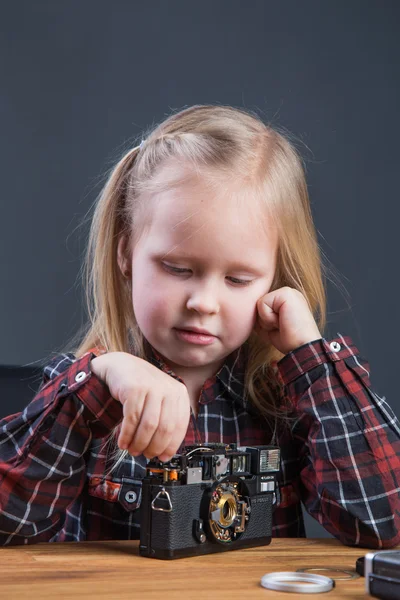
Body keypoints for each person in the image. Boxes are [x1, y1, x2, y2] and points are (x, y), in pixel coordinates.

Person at [1, 104, 399, 549]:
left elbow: (383, 524)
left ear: (273, 280)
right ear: (126, 255)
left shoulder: (284, 400)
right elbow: (6, 528)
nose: (204, 303)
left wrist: (311, 359)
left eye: (238, 279)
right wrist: (100, 381)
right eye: (177, 268)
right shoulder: (80, 390)